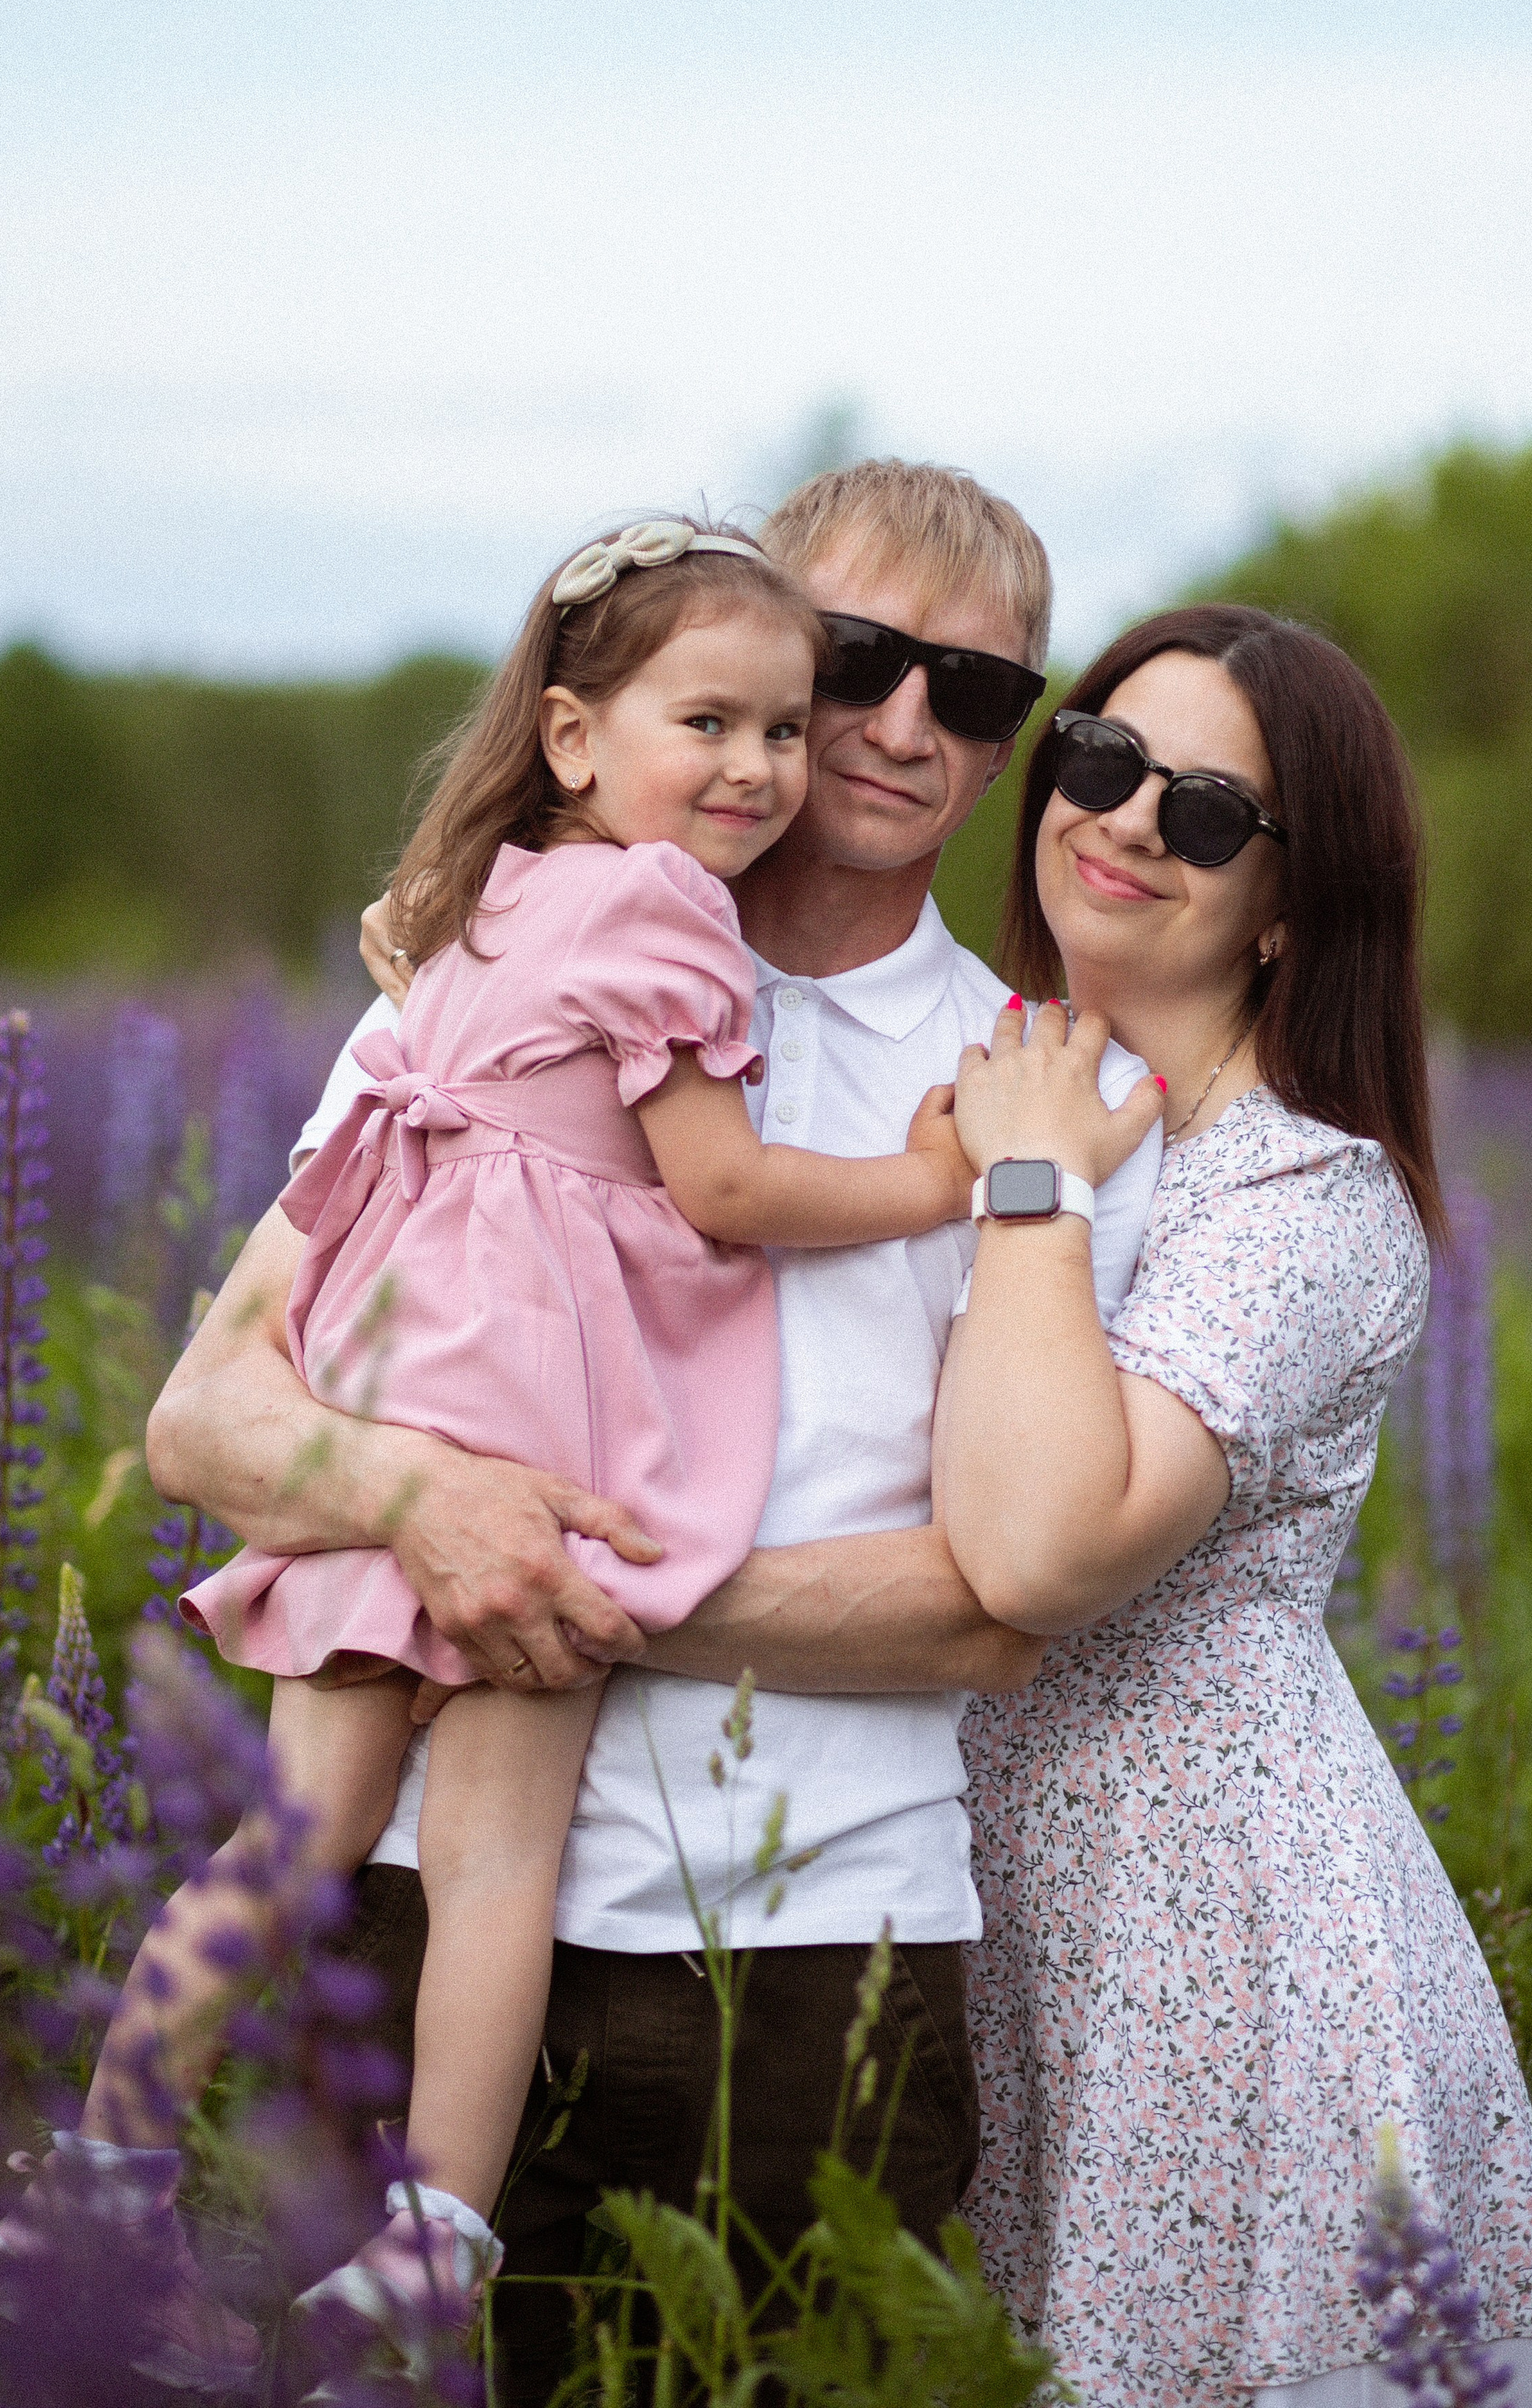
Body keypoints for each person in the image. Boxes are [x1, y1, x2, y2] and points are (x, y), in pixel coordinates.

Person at [146, 462, 1166, 2398]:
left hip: (805, 1963)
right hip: (410, 1923)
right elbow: (209, 1416)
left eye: (976, 693)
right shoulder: (490, 975)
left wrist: (561, 1583)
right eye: (857, 657)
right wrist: (424, 1504)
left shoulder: (1029, 1094)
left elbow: (995, 1606)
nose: (894, 722)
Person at [932, 603, 1532, 2407]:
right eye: (1098, 759)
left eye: (1210, 812)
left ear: (1293, 904)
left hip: (1196, 1932)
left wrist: (1027, 1188)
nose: (1130, 819)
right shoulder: (993, 1085)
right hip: (965, 1889)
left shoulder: (1298, 1192)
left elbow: (1041, 1547)